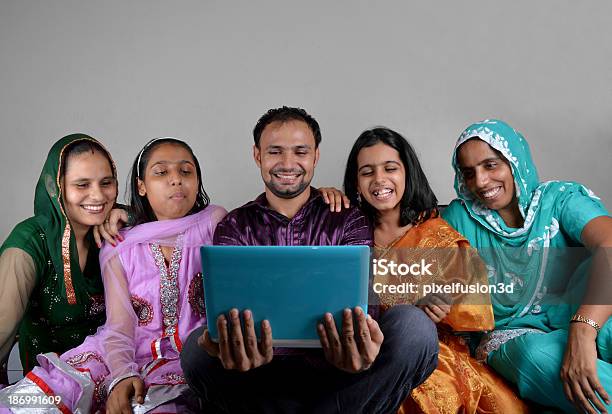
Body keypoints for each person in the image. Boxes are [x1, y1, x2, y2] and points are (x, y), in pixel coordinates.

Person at [180, 107, 439, 413]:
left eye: (300, 151)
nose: (288, 163)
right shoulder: (235, 226)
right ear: (257, 155)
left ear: (315, 157)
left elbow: (363, 308)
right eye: (275, 151)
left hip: (341, 375)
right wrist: (232, 345)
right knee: (196, 349)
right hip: (260, 378)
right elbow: (226, 318)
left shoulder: (347, 218)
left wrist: (357, 343)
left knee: (414, 328)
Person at [0, 138, 227, 413]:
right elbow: (119, 325)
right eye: (161, 172)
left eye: (186, 171)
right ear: (141, 185)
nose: (176, 180)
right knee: (33, 402)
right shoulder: (115, 242)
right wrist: (122, 374)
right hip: (112, 353)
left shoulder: (214, 225)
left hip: (185, 359)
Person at [343, 127, 529, 413]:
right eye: (367, 172)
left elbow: (472, 302)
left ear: (407, 173)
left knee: (430, 391)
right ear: (355, 182)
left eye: (390, 168)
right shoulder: (344, 231)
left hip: (431, 354)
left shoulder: (434, 234)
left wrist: (444, 303)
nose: (379, 180)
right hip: (354, 350)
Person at [443, 119, 612, 413]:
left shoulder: (558, 199)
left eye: (491, 165)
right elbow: (400, 223)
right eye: (469, 173)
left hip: (583, 312)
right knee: (538, 355)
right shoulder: (459, 219)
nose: (481, 182)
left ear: (515, 161)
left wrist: (583, 330)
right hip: (515, 336)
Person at [0, 134, 118, 385]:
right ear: (56, 187)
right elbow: (2, 329)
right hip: (51, 391)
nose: (98, 196)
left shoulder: (118, 230)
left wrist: (128, 215)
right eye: (82, 185)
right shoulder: (29, 244)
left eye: (106, 182)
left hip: (117, 382)